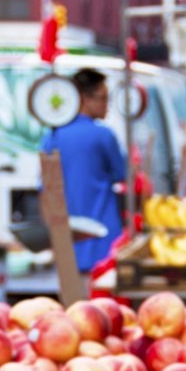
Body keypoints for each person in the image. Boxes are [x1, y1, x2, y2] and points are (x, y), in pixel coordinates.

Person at [40, 68, 126, 273]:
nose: (107, 106)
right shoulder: (103, 135)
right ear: (84, 100)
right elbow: (121, 173)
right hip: (103, 237)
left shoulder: (51, 137)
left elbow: (44, 188)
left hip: (67, 239)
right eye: (103, 99)